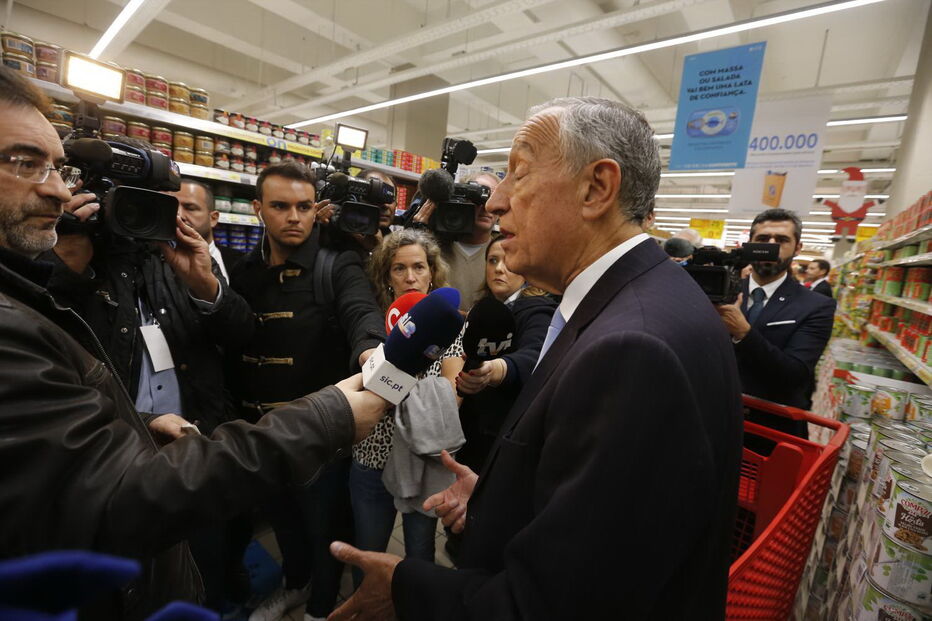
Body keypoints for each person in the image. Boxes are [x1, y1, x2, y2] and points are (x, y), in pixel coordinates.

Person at [328, 96, 744, 620]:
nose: (495, 202)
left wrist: (408, 589)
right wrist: (504, 495)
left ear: (596, 187)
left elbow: (560, 604)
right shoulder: (642, 299)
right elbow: (612, 519)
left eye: (518, 175)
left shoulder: (633, 349)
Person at [0, 64, 386, 620]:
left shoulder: (314, 266)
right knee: (281, 534)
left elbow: (333, 314)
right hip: (235, 452)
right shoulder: (60, 284)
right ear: (258, 211)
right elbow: (110, 489)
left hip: (225, 444)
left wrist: (367, 347)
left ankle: (311, 598)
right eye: (26, 162)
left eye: (58, 167)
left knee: (315, 535)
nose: (58, 190)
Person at [226, 161, 385, 621]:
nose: (294, 216)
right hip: (261, 433)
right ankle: (295, 585)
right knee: (284, 522)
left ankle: (319, 609)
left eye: (304, 206)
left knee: (324, 531)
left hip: (320, 438)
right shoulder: (245, 270)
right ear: (258, 209)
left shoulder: (337, 264)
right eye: (280, 206)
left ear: (317, 210)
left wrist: (370, 353)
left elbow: (361, 312)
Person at [350, 228, 462, 585]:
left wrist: (397, 392)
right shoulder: (374, 320)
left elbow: (453, 390)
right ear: (387, 276)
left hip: (424, 456)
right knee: (367, 551)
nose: (410, 276)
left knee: (420, 551)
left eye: (418, 266)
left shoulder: (452, 323)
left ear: (432, 272)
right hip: (372, 453)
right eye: (399, 268)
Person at [715, 208, 836, 437]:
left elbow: (795, 374)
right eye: (762, 239)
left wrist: (744, 332)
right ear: (749, 243)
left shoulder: (816, 305)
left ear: (798, 248)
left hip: (770, 430)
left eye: (781, 240)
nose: (771, 246)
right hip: (713, 417)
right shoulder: (720, 292)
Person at [454, 235, 556, 472]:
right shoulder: (482, 310)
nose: (499, 268)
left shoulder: (537, 310)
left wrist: (494, 370)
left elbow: (535, 357)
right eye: (492, 260)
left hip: (499, 443)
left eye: (507, 259)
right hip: (470, 435)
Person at [411, 172, 500, 312]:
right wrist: (417, 235)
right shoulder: (433, 249)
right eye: (479, 198)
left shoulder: (503, 256)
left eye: (494, 199)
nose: (487, 206)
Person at [170, 178, 243, 282]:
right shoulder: (154, 261)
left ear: (213, 218)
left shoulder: (241, 264)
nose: (179, 215)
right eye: (173, 207)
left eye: (190, 208)